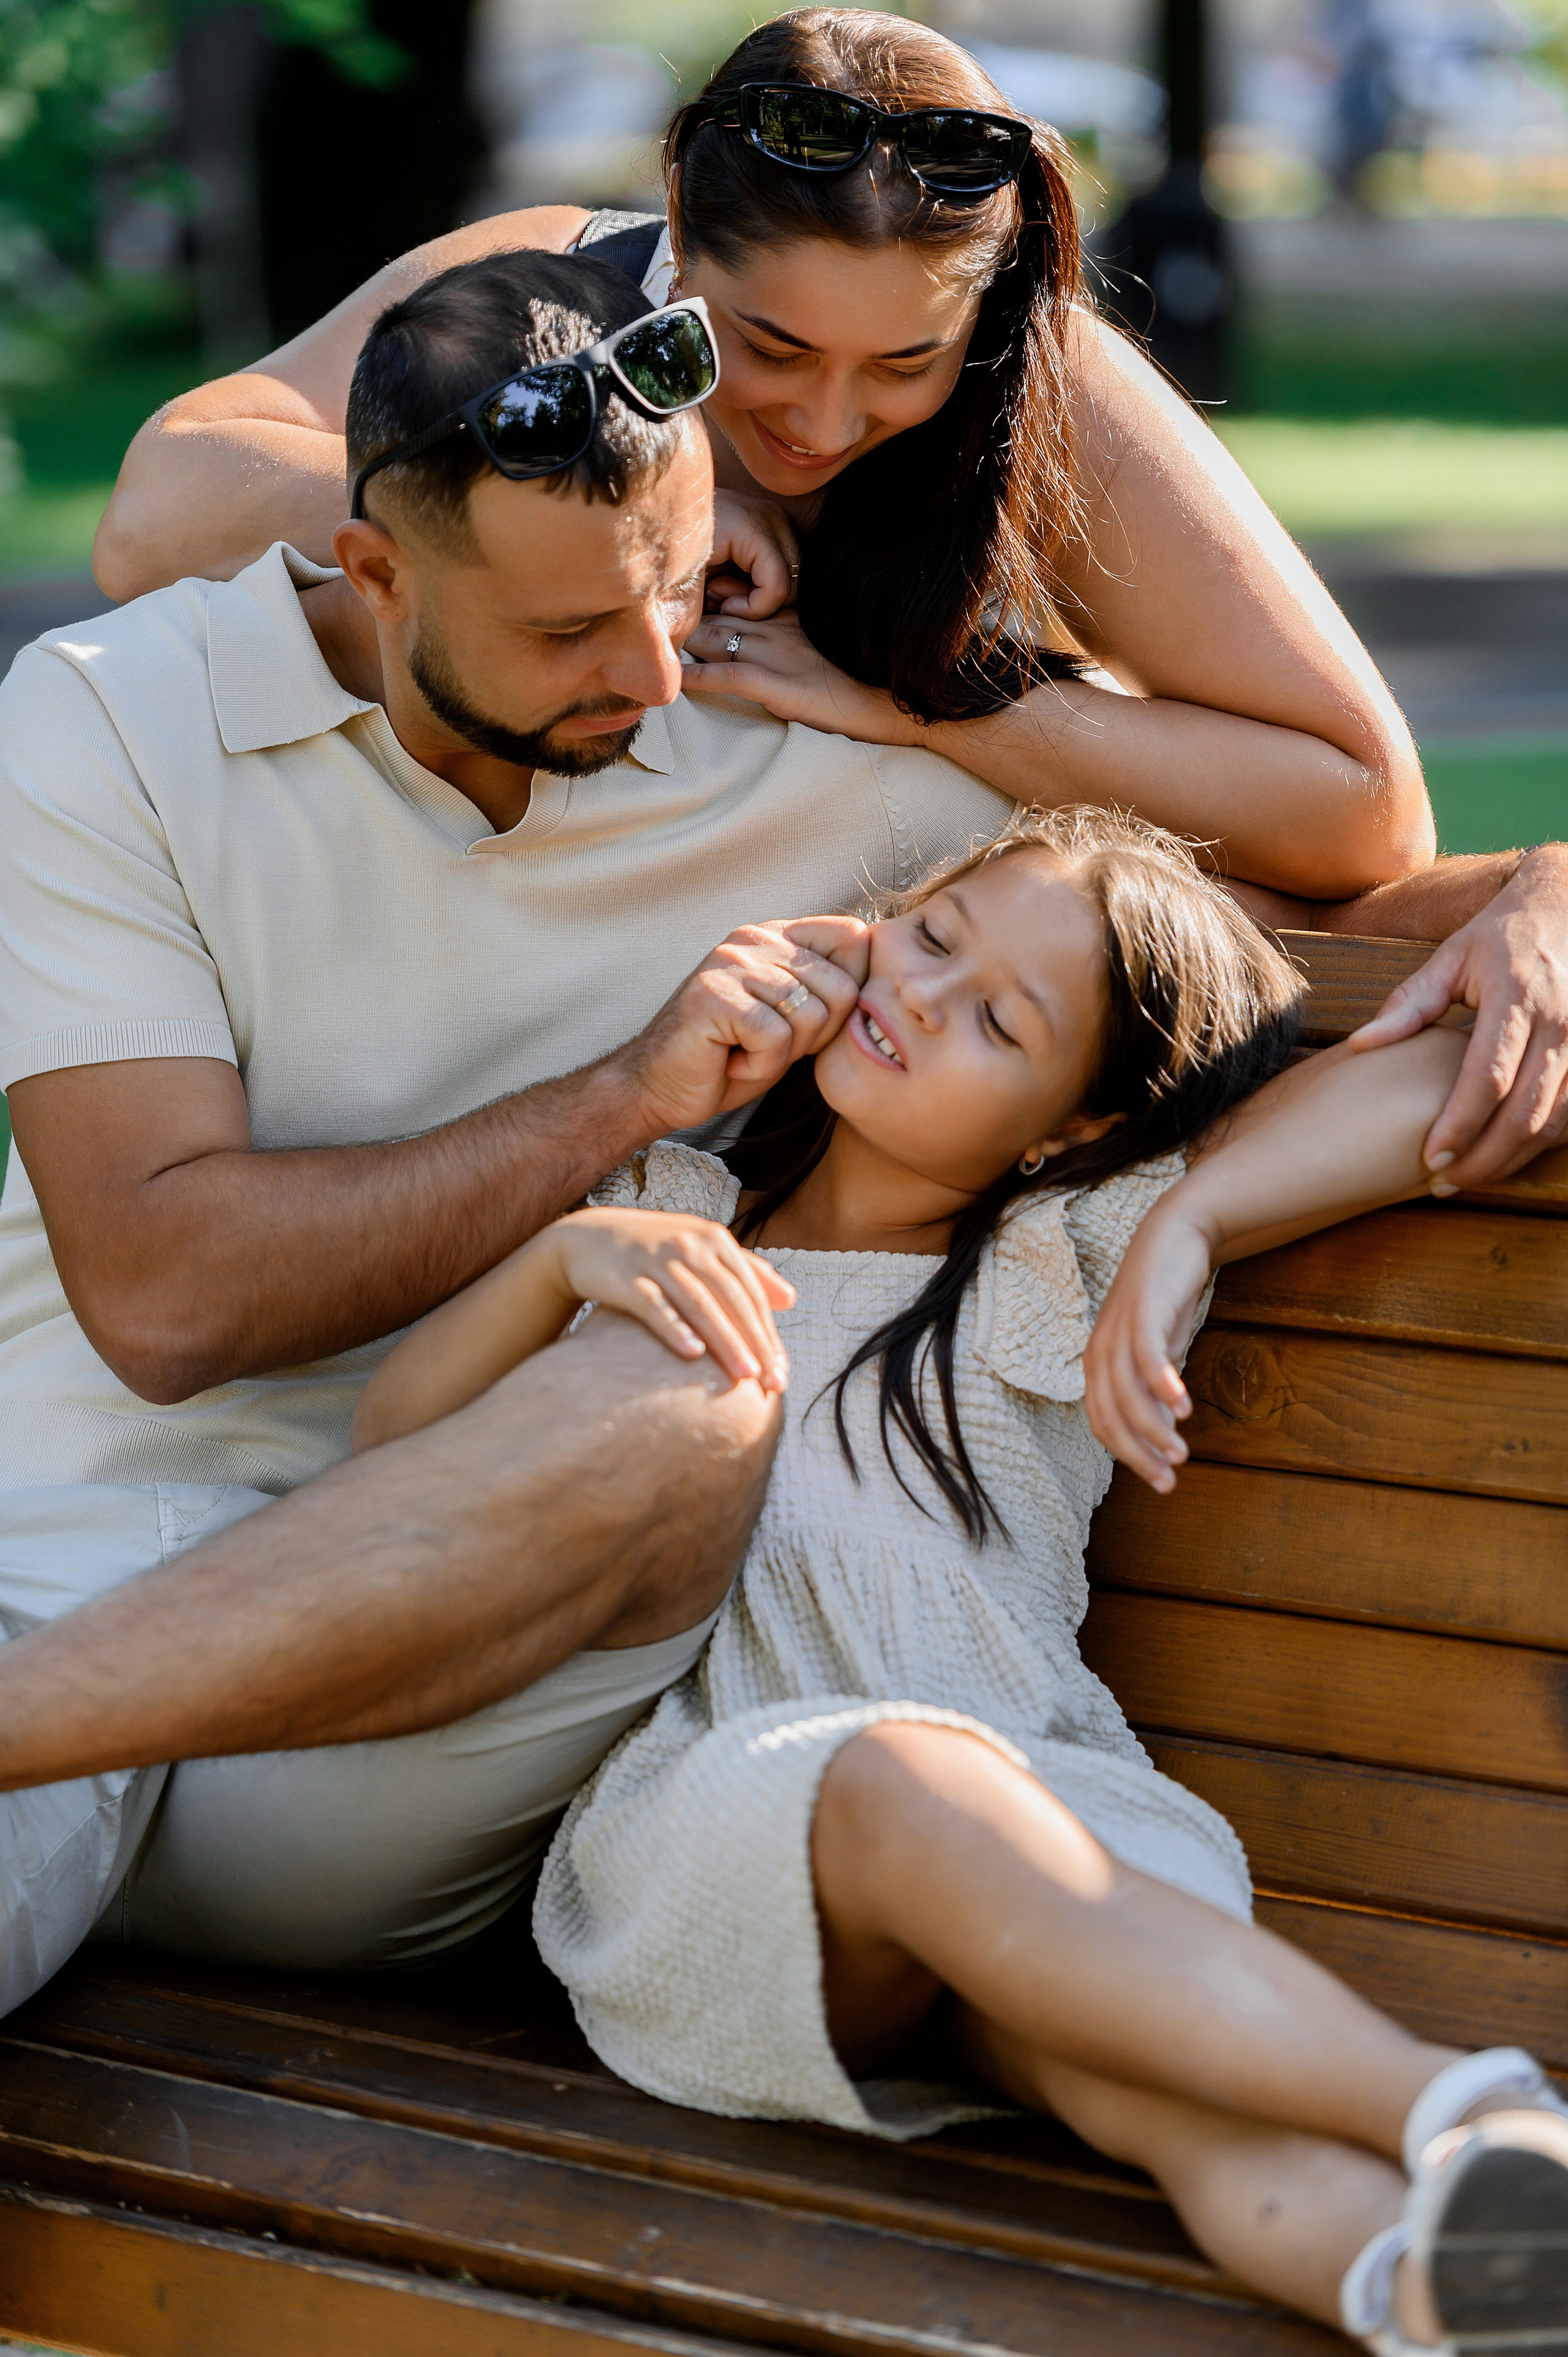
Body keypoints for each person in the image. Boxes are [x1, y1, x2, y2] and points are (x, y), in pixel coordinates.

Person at [0, 246, 1556, 2015]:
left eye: (681, 584)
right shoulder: (112, 717)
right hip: (59, 1593)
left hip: (396, 1745)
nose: (658, 676)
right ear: (371, 570)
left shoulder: (832, 781)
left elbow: (1293, 905)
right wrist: (623, 1099)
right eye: (573, 631)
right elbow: (169, 1300)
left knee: (683, 1393)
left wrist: (1552, 889)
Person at [352, 807, 1568, 2353]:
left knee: (1177, 2111)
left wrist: (1195, 1214)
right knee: (891, 1775)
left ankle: (1445, 2292)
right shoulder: (672, 1214)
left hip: (1053, 1840)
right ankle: (1476, 2104)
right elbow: (395, 1460)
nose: (917, 995)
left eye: (997, 1017)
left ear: (1061, 1132)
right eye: (933, 935)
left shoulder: (1052, 1266)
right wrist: (560, 1259)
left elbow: (1431, 1079)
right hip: (732, 1849)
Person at [91, 5, 1568, 1191]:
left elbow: (1359, 807)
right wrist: (630, 505)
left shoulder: (1048, 388)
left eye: (902, 367)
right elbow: (165, 506)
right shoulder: (557, 287)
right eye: (770, 346)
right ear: (677, 220)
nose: (818, 418)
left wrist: (923, 703)